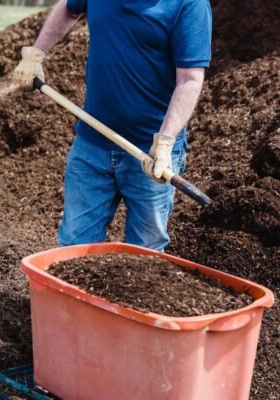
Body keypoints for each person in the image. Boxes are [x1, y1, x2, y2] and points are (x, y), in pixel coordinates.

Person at [13, 0, 212, 252]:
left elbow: (190, 80)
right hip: (91, 144)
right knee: (73, 246)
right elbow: (68, 7)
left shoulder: (189, 4)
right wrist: (37, 52)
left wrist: (165, 141)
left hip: (151, 154)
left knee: (145, 254)